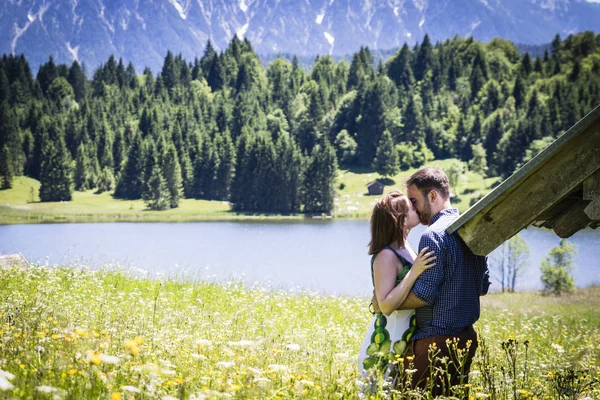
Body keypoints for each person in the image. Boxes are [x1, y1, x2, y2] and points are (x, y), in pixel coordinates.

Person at [372, 168, 490, 397]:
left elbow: (423, 295)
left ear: (433, 196)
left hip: (435, 341)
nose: (413, 208)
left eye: (414, 201)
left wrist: (384, 302)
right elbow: (482, 287)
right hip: (466, 338)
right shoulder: (471, 228)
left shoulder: (433, 235)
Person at [357, 191, 437, 384]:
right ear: (400, 219)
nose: (416, 207)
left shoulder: (406, 247)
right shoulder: (386, 255)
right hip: (385, 342)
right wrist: (414, 272)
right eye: (411, 206)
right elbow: (385, 306)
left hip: (403, 339)